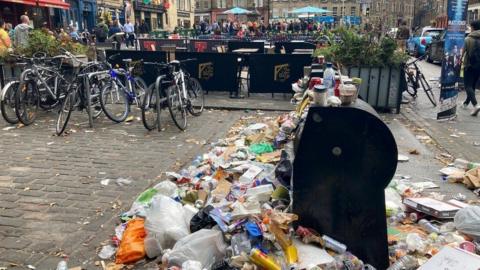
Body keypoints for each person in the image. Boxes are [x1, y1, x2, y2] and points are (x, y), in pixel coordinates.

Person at [462, 20, 480, 116]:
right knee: (472, 86)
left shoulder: (468, 39)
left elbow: (462, 52)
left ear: (472, 27)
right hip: (479, 66)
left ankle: (476, 105)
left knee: (468, 86)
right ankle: (465, 103)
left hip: (469, 65)